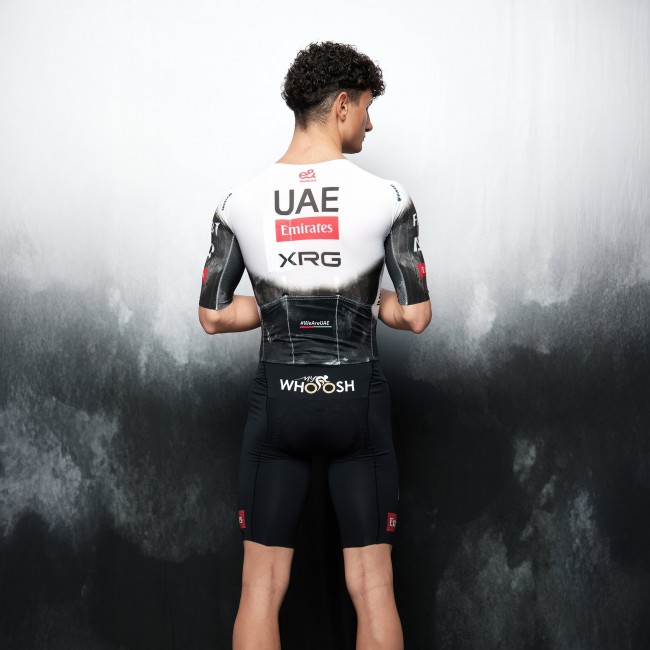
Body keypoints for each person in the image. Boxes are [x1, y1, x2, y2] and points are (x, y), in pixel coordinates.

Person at [198, 41, 431, 650]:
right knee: (373, 587)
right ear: (343, 105)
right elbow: (414, 315)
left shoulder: (238, 201)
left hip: (279, 400)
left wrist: (283, 308)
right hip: (356, 397)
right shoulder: (389, 197)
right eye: (367, 110)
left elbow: (214, 316)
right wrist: (364, 304)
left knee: (260, 589)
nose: (370, 126)